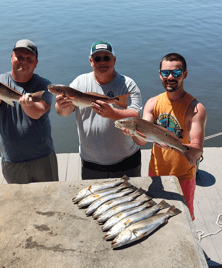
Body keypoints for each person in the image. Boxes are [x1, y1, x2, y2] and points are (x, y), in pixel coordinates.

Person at [122, 53, 207, 220]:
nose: (170, 77)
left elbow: (196, 149)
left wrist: (180, 147)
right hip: (156, 172)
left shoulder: (195, 108)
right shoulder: (152, 103)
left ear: (185, 74)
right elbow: (142, 140)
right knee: (153, 214)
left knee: (184, 219)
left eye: (176, 73)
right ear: (160, 74)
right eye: (165, 73)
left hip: (183, 175)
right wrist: (132, 132)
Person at [55, 41, 142, 180]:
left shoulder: (128, 84)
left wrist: (112, 114)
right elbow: (63, 113)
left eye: (106, 58)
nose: (102, 62)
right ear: (91, 61)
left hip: (126, 161)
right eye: (97, 58)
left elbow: (136, 117)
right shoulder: (79, 83)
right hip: (91, 163)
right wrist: (61, 106)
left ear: (114, 60)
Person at [0, 39, 59, 183]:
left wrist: (27, 104)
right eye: (19, 57)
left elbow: (39, 112)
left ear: (36, 62)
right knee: (19, 202)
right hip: (13, 159)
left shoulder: (43, 84)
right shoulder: (2, 81)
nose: (23, 62)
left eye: (29, 59)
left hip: (43, 157)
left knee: (49, 199)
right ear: (11, 57)